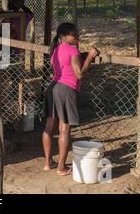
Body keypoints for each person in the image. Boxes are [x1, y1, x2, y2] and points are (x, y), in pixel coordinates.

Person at [42, 22, 100, 176]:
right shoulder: (72, 49)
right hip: (66, 89)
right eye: (74, 34)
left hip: (53, 87)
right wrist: (90, 56)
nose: (77, 37)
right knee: (64, 128)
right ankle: (61, 167)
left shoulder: (55, 49)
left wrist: (82, 56)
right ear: (64, 36)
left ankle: (48, 163)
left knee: (49, 126)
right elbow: (79, 73)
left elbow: (63, 63)